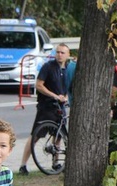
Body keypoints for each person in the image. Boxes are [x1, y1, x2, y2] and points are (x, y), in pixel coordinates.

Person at [19, 43, 75, 175]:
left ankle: (56, 163)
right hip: (46, 106)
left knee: (59, 136)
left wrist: (65, 96)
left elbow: (68, 86)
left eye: (63, 53)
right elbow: (39, 85)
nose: (60, 55)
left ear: (68, 55)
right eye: (58, 52)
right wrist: (55, 96)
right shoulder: (48, 67)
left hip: (60, 106)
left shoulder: (68, 69)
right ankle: (23, 164)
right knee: (36, 135)